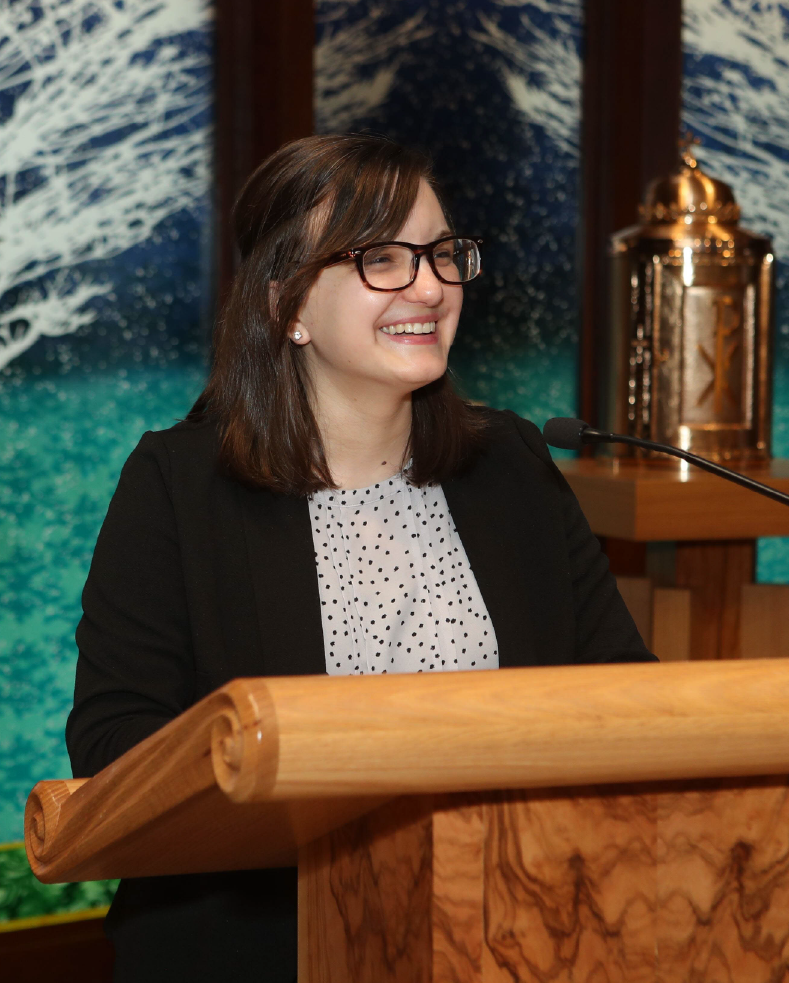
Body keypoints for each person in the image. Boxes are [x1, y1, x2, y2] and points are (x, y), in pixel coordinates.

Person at [66, 133, 654, 982]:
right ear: (286, 305)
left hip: (509, 933)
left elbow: (621, 695)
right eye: (381, 256)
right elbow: (115, 742)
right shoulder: (178, 484)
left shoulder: (511, 465)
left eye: (442, 254)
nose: (428, 284)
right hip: (261, 943)